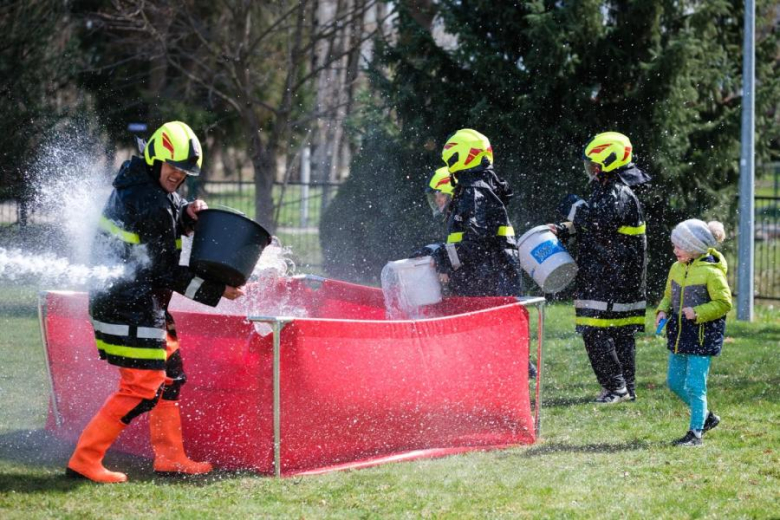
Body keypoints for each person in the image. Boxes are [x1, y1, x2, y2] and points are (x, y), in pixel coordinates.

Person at [66, 121, 245, 483]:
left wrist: (187, 215)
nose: (179, 175)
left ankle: (171, 457)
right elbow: (163, 271)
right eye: (173, 166)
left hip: (141, 301)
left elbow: (165, 214)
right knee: (142, 386)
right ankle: (85, 459)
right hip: (126, 304)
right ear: (155, 158)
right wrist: (217, 291)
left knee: (169, 378)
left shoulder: (144, 183)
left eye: (185, 171)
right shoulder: (149, 198)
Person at [549, 131, 650, 403]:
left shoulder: (617, 191)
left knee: (595, 332)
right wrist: (564, 231)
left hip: (609, 276)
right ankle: (625, 388)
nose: (590, 170)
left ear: (608, 162)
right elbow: (598, 230)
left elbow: (597, 223)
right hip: (616, 275)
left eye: (594, 165)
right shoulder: (611, 190)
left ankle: (616, 388)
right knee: (620, 334)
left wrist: (572, 208)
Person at [416, 129, 523, 298]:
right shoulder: (484, 186)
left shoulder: (474, 190)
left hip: (489, 282)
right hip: (494, 279)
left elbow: (476, 243)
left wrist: (443, 256)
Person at [655, 219, 731, 446]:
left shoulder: (712, 272)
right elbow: (669, 294)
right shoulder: (676, 268)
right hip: (678, 334)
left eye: (679, 246)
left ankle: (695, 434)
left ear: (695, 247)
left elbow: (724, 303)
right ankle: (707, 417)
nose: (674, 250)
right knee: (674, 382)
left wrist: (698, 312)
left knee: (696, 386)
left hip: (702, 336)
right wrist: (662, 310)